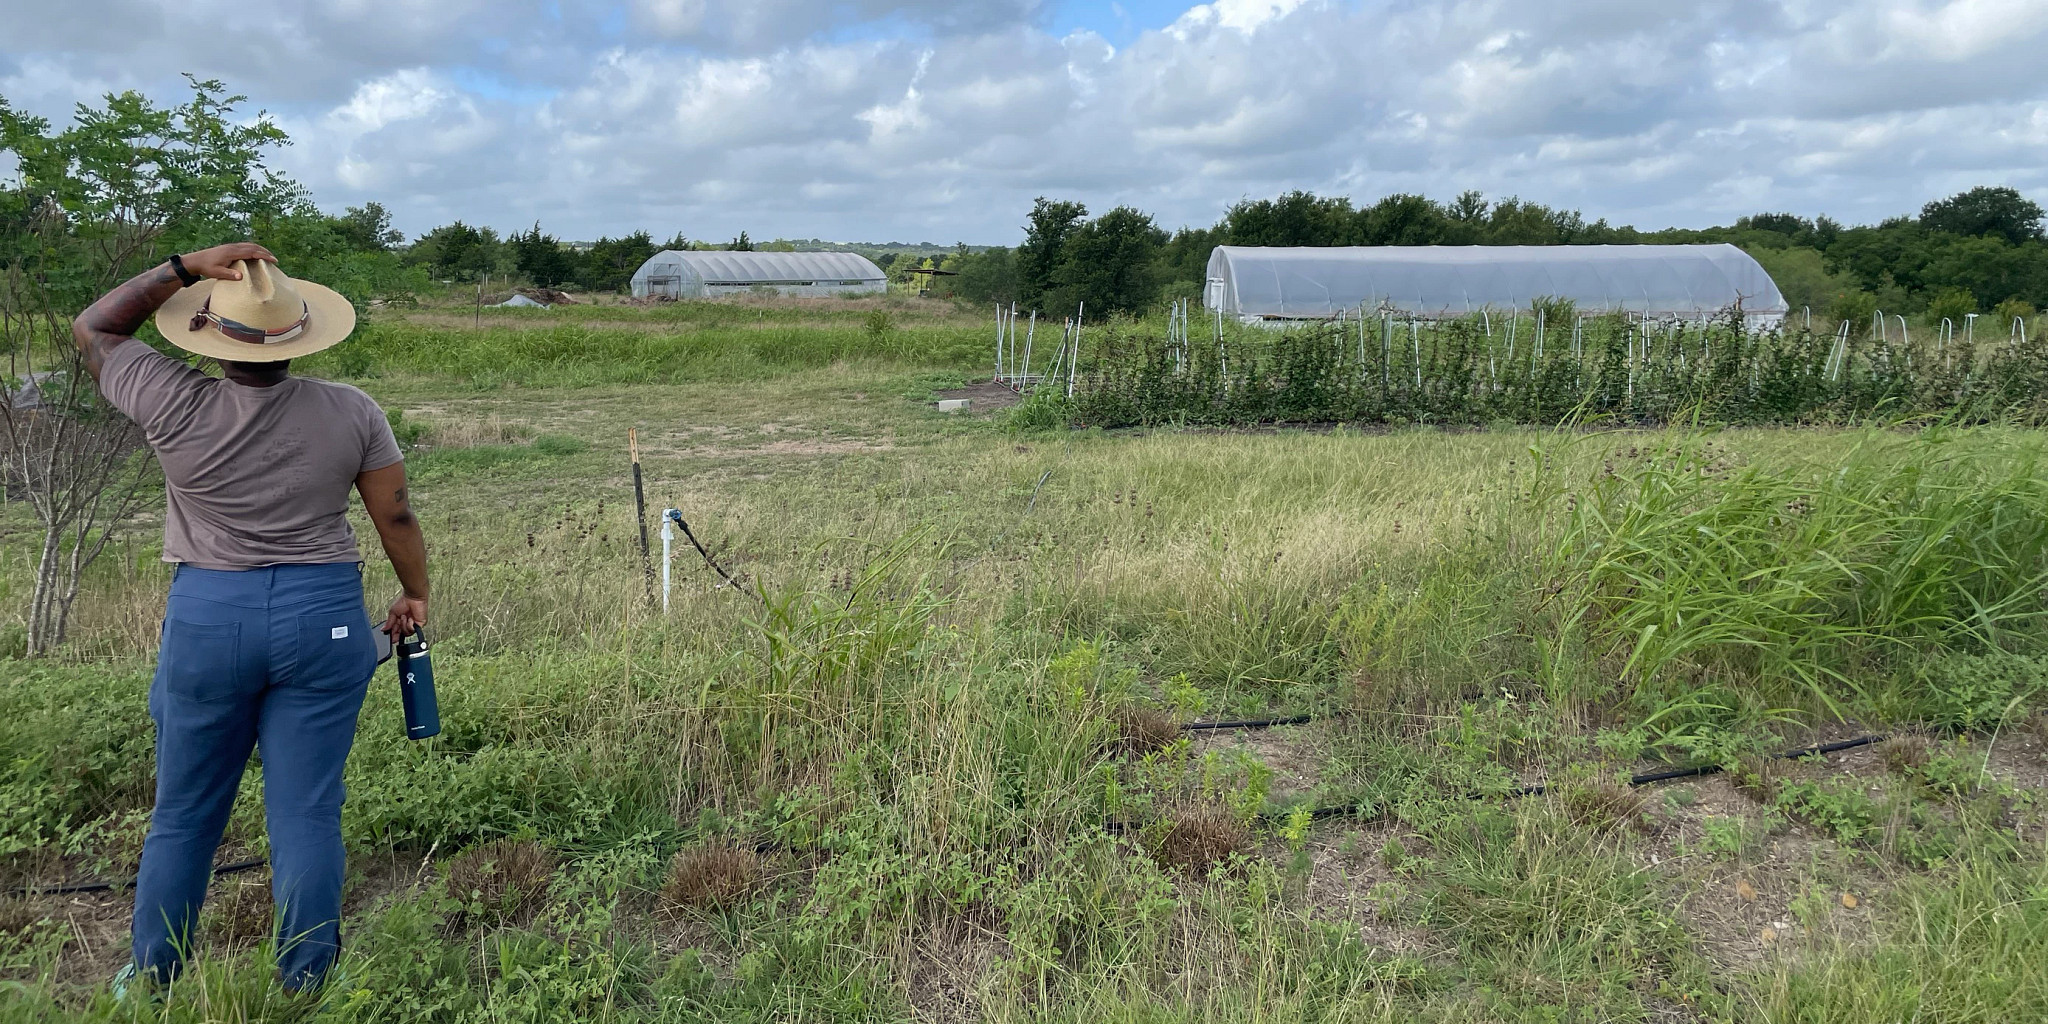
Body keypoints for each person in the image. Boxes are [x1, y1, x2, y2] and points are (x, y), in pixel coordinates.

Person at [70, 243, 429, 994]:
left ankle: (154, 978)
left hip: (210, 613)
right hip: (323, 611)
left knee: (184, 814)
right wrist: (413, 593)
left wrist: (182, 267)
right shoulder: (351, 409)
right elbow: (393, 513)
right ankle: (305, 982)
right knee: (306, 812)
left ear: (209, 334)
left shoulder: (171, 397)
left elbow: (96, 329)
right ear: (299, 336)